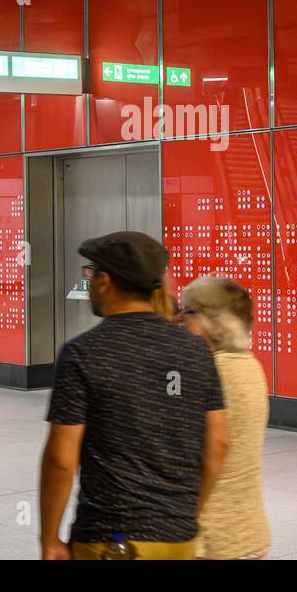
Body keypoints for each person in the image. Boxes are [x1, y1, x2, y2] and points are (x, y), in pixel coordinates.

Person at [39, 231, 228, 560]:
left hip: (110, 540)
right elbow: (219, 442)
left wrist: (49, 537)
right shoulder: (197, 350)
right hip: (179, 539)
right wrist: (191, 509)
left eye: (91, 272)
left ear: (105, 281)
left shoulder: (83, 353)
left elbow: (61, 458)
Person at [179, 276, 270, 559]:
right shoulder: (249, 365)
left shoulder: (210, 373)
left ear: (213, 320)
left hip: (213, 540)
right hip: (249, 531)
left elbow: (211, 447)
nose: (179, 318)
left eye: (188, 311)